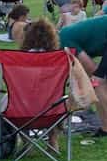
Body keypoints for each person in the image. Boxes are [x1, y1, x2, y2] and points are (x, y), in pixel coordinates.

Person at [16, 19, 96, 149]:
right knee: (63, 100)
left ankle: (26, 141)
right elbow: (76, 83)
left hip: (21, 110)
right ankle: (53, 139)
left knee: (10, 98)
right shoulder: (61, 58)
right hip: (53, 111)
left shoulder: (17, 59)